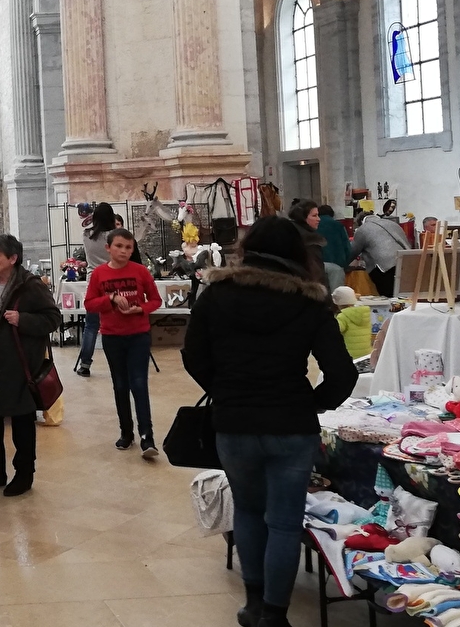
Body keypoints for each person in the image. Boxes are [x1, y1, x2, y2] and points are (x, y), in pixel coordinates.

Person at [182, 215, 356, 627]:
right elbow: (343, 373)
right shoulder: (309, 299)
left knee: (247, 510)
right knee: (284, 520)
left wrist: (225, 389)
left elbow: (192, 354)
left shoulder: (217, 292)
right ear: (297, 253)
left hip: (235, 421)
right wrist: (313, 402)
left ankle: (253, 604)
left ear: (247, 248)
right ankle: (275, 615)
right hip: (291, 422)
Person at [0, 233, 59, 496]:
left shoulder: (29, 285)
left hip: (17, 365)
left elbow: (53, 318)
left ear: (13, 258)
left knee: (21, 421)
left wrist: (23, 319)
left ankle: (24, 474)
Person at [84, 229, 163, 458]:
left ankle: (147, 436)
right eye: (119, 246)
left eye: (128, 247)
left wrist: (142, 308)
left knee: (139, 384)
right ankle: (126, 432)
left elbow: (156, 300)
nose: (124, 251)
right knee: (120, 385)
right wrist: (110, 298)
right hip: (112, 336)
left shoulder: (140, 271)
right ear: (108, 248)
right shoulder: (99, 274)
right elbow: (90, 304)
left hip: (138, 334)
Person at [76, 203, 118, 378]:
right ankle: (118, 362)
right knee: (117, 323)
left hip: (94, 280)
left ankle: (85, 364)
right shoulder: (114, 237)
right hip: (114, 280)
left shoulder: (87, 235)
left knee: (91, 325)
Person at [351, 210, 410, 297]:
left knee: (388, 297)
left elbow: (353, 252)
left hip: (385, 267)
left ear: (360, 222)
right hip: (407, 261)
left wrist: (342, 264)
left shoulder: (362, 229)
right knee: (405, 296)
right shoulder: (393, 224)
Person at [332, 286, 372, 359]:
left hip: (349, 354)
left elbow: (335, 330)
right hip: (366, 353)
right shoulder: (364, 313)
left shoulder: (343, 316)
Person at [315, 204, 352, 270]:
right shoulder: (338, 226)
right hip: (338, 264)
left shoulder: (313, 225)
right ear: (332, 214)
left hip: (318, 265)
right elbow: (347, 247)